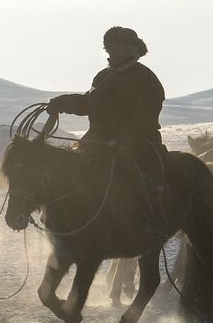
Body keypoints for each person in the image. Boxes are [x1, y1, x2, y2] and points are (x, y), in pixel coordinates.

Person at [47, 26, 168, 228]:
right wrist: (62, 103)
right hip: (99, 141)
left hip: (137, 145)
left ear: (132, 49)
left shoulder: (146, 79)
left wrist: (121, 140)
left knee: (141, 183)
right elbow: (89, 103)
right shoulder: (102, 77)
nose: (113, 52)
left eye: (119, 48)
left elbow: (145, 117)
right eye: (110, 48)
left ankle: (152, 224)